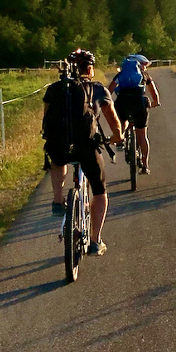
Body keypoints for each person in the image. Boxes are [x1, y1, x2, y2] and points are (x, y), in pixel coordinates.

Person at [43, 48, 123, 256]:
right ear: (89, 68)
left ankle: (58, 200)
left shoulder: (53, 89)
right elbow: (113, 121)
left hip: (60, 147)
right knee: (99, 190)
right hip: (87, 147)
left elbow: (46, 121)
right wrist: (117, 137)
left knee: (58, 161)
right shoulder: (97, 89)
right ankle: (96, 240)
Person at [108, 54, 160, 174]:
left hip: (122, 104)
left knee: (122, 121)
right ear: (140, 64)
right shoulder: (144, 75)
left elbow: (109, 91)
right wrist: (155, 103)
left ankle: (121, 138)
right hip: (139, 105)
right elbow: (154, 94)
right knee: (142, 136)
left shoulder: (120, 75)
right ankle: (145, 165)